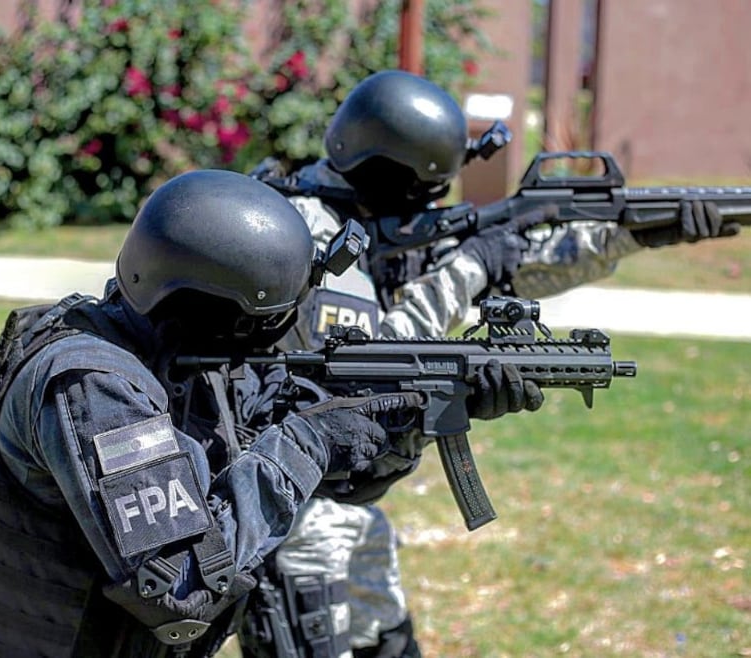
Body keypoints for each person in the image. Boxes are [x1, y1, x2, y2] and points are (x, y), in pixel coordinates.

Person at [240, 69, 741, 658]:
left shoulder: (379, 218)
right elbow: (362, 370)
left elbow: (524, 260)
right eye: (433, 186)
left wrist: (643, 231)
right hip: (286, 505)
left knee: (388, 633)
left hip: (346, 499)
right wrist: (470, 268)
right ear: (403, 174)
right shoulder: (306, 232)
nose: (440, 201)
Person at [0, 168, 499, 658]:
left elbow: (335, 486)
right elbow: (181, 585)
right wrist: (309, 443)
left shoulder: (185, 359)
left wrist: (414, 416)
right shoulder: (93, 387)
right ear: (232, 318)